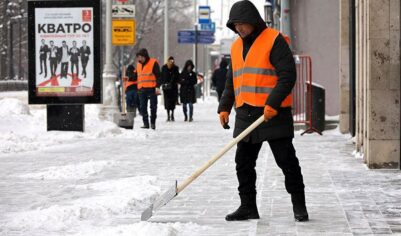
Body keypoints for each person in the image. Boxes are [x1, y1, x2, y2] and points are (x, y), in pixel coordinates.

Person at [218, 0, 308, 222]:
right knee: (243, 163)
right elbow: (232, 80)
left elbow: (287, 75)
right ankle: (248, 206)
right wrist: (224, 107)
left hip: (272, 114)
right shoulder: (236, 46)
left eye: (243, 24)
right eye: (235, 24)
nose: (239, 28)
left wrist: (273, 104)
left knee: (286, 161)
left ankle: (299, 204)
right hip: (246, 113)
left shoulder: (273, 40)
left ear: (253, 21)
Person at [136, 48, 161, 130]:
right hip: (141, 89)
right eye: (138, 57)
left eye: (141, 57)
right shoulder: (138, 65)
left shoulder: (153, 63)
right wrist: (128, 78)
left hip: (152, 88)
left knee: (153, 107)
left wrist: (157, 86)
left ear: (145, 57)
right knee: (142, 107)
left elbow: (158, 76)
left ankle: (153, 123)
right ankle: (146, 123)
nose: (139, 59)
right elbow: (138, 76)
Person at [161, 56, 180, 121]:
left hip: (173, 88)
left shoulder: (175, 68)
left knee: (172, 102)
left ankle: (172, 114)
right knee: (167, 102)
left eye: (172, 61)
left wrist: (175, 81)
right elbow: (162, 76)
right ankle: (168, 115)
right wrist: (163, 83)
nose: (171, 62)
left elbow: (177, 77)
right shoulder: (164, 68)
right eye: (170, 61)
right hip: (166, 88)